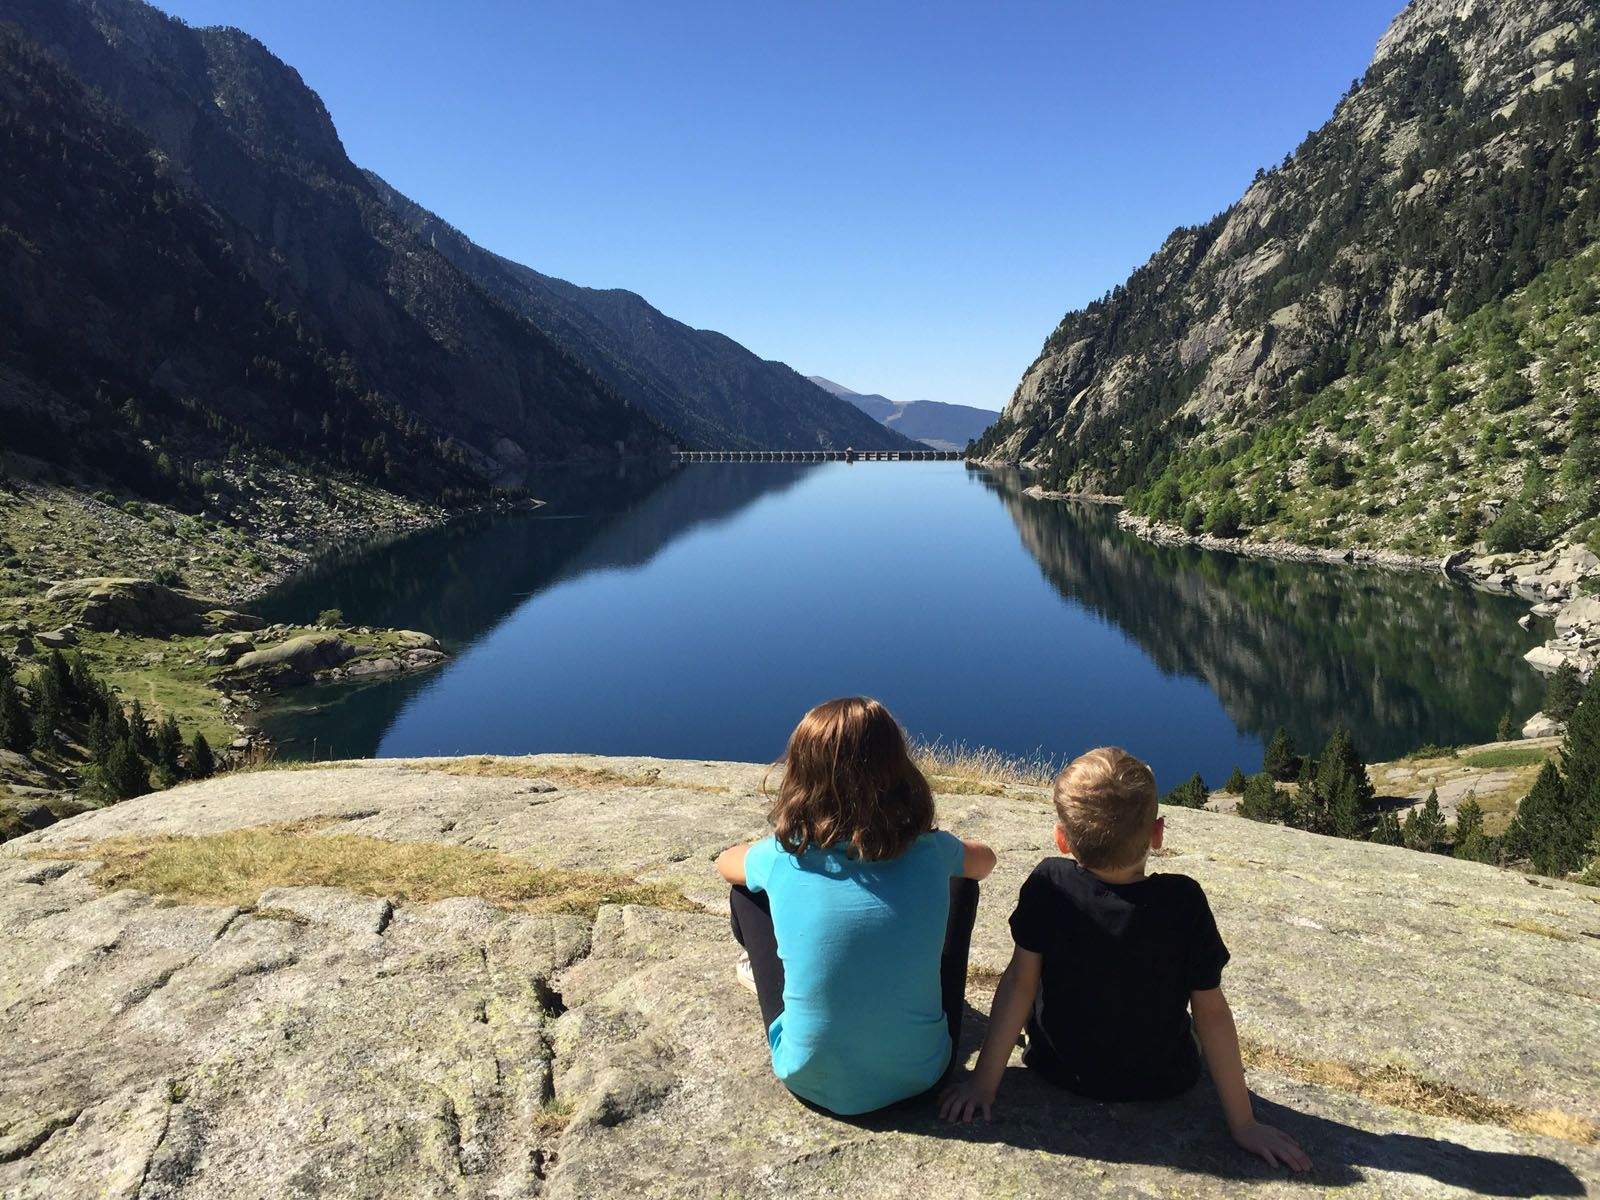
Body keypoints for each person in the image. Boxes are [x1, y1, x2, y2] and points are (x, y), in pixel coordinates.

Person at [938, 747, 1311, 1173]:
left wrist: (983, 1085)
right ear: (1157, 833)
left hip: (1059, 1069)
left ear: (1062, 838)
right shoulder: (1183, 901)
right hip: (1166, 1079)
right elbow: (1212, 1014)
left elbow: (1020, 985)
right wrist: (1244, 1124)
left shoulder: (1049, 884)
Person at [715, 696, 996, 1116]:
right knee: (962, 886)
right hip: (922, 1075)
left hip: (808, 1077)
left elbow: (725, 864)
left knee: (746, 892)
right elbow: (986, 861)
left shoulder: (783, 857)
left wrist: (767, 855)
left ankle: (767, 972)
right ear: (899, 770)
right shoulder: (931, 851)